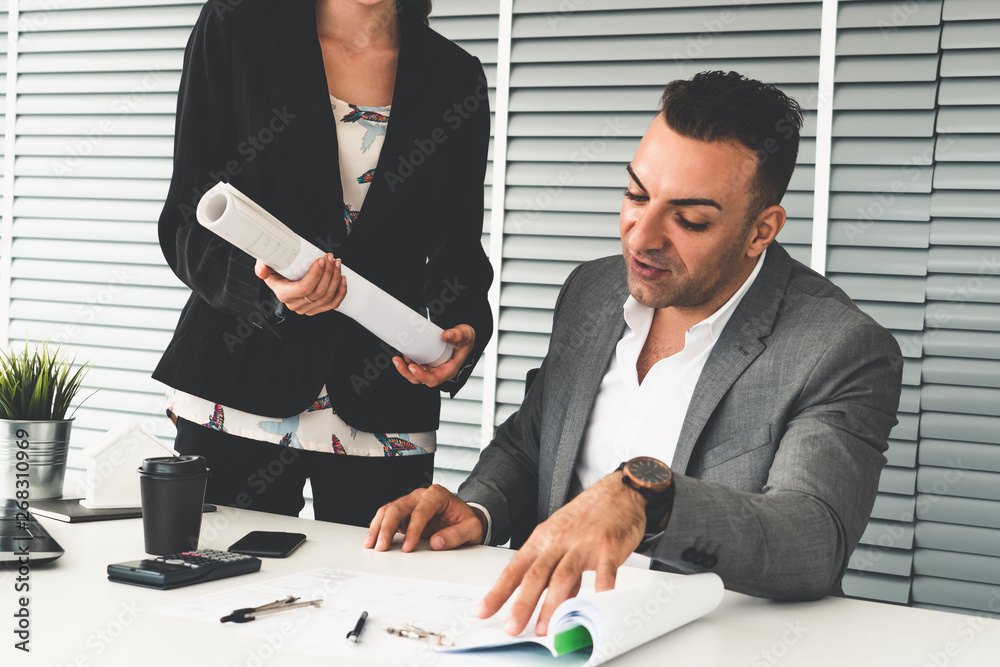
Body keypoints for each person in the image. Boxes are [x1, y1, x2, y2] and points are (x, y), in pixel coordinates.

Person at [365, 71, 903, 636]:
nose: (641, 237)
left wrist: (649, 502)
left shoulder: (838, 346)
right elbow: (533, 445)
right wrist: (477, 511)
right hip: (546, 632)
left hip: (709, 643)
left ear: (760, 231)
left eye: (690, 220)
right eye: (636, 195)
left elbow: (812, 538)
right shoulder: (590, 293)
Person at [153, 0, 493, 527]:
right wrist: (265, 291)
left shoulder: (455, 76)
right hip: (237, 389)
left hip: (384, 400)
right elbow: (185, 220)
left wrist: (464, 327)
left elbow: (458, 251)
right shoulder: (235, 26)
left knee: (380, 599)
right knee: (214, 596)